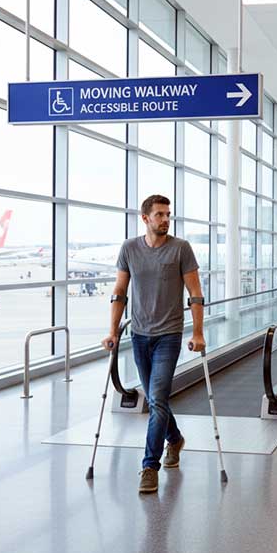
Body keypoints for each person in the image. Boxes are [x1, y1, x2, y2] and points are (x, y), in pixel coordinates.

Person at [103, 194, 205, 495]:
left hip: (169, 335)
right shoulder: (129, 249)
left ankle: (150, 466)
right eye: (159, 214)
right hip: (139, 335)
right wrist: (112, 330)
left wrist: (197, 332)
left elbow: (195, 293)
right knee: (155, 398)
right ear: (145, 217)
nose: (165, 219)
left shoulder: (180, 249)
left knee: (158, 396)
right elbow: (120, 290)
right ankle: (174, 439)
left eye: (167, 214)